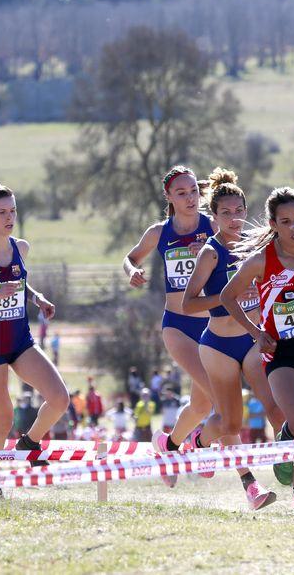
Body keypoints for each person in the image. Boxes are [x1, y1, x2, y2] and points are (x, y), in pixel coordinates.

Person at [221, 186, 294, 517]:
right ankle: (282, 449)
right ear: (273, 224)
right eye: (285, 221)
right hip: (279, 349)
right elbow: (228, 297)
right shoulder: (262, 260)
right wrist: (256, 332)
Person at [167, 168, 280, 510]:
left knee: (275, 405)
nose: (234, 219)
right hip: (218, 345)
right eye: (226, 213)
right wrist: (229, 296)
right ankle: (199, 443)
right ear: (213, 217)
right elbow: (189, 303)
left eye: (239, 211)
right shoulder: (211, 252)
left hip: (252, 339)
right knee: (231, 422)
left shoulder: (256, 246)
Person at [0, 180, 70, 492]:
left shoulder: (21, 248)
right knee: (3, 419)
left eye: (13, 211)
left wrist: (37, 298)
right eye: (2, 212)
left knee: (60, 399)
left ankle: (29, 442)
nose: (9, 217)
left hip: (20, 341)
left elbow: (19, 284)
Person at [124, 165, 215, 451]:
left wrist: (209, 252)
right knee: (220, 396)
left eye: (194, 191)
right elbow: (130, 258)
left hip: (213, 325)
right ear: (169, 197)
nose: (190, 198)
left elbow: (238, 258)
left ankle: (169, 444)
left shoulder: (213, 226)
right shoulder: (159, 232)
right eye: (182, 193)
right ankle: (241, 473)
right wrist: (132, 271)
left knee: (201, 406)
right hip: (178, 325)